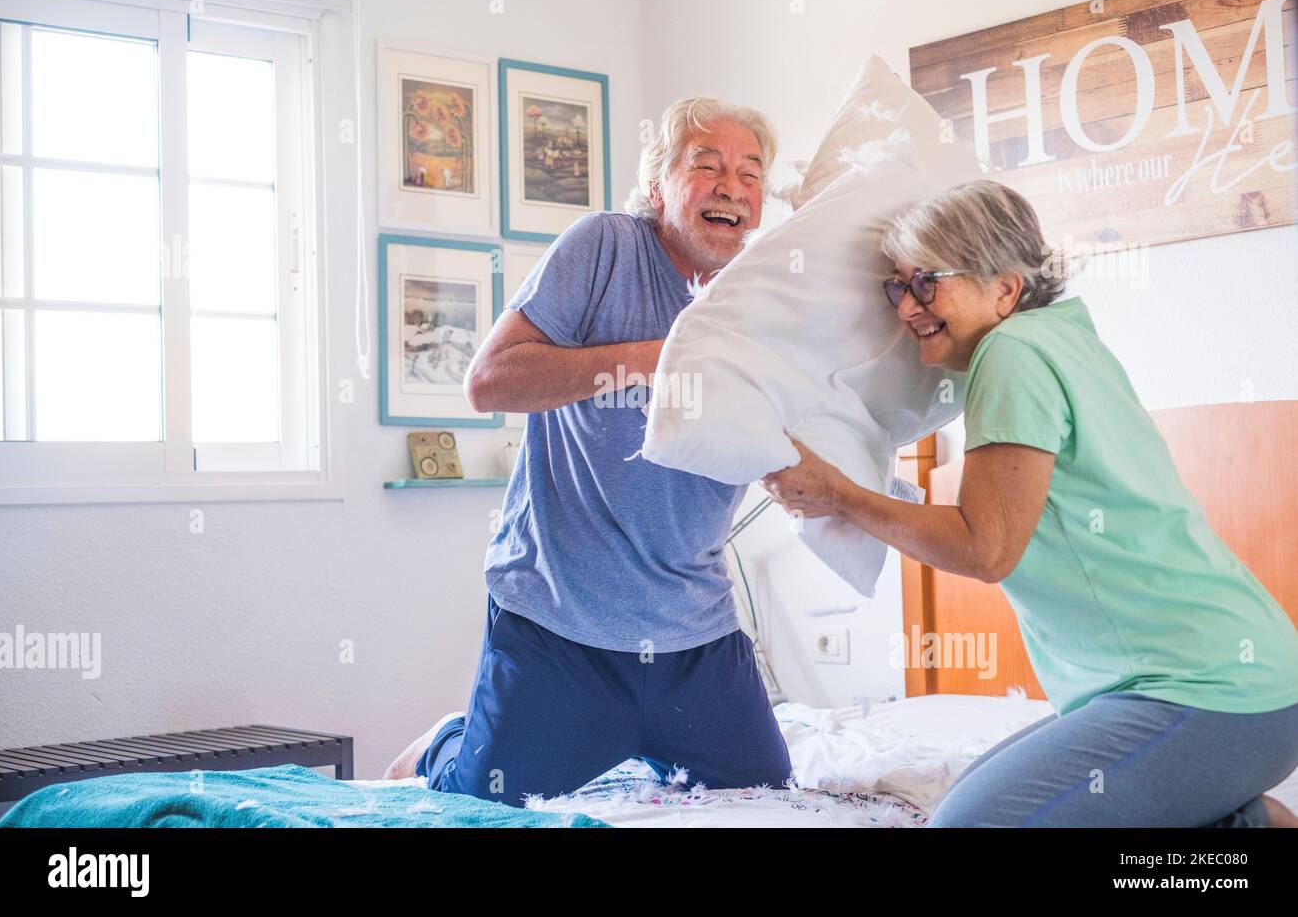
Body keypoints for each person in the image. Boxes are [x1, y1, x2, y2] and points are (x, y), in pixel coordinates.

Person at [760, 179, 1298, 827]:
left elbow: (984, 548)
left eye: (926, 282)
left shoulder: (1012, 353)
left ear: (1005, 288)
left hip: (1210, 690)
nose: (907, 307)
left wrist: (839, 496)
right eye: (898, 286)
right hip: (1241, 684)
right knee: (957, 812)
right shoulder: (1060, 336)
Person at [383, 97, 793, 804]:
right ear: (659, 185)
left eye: (750, 173)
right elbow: (488, 383)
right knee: (480, 804)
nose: (733, 186)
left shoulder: (759, 303)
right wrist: (655, 357)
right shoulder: (604, 244)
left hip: (695, 635)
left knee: (769, 800)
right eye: (708, 165)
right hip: (557, 626)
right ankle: (448, 739)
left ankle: (638, 746)